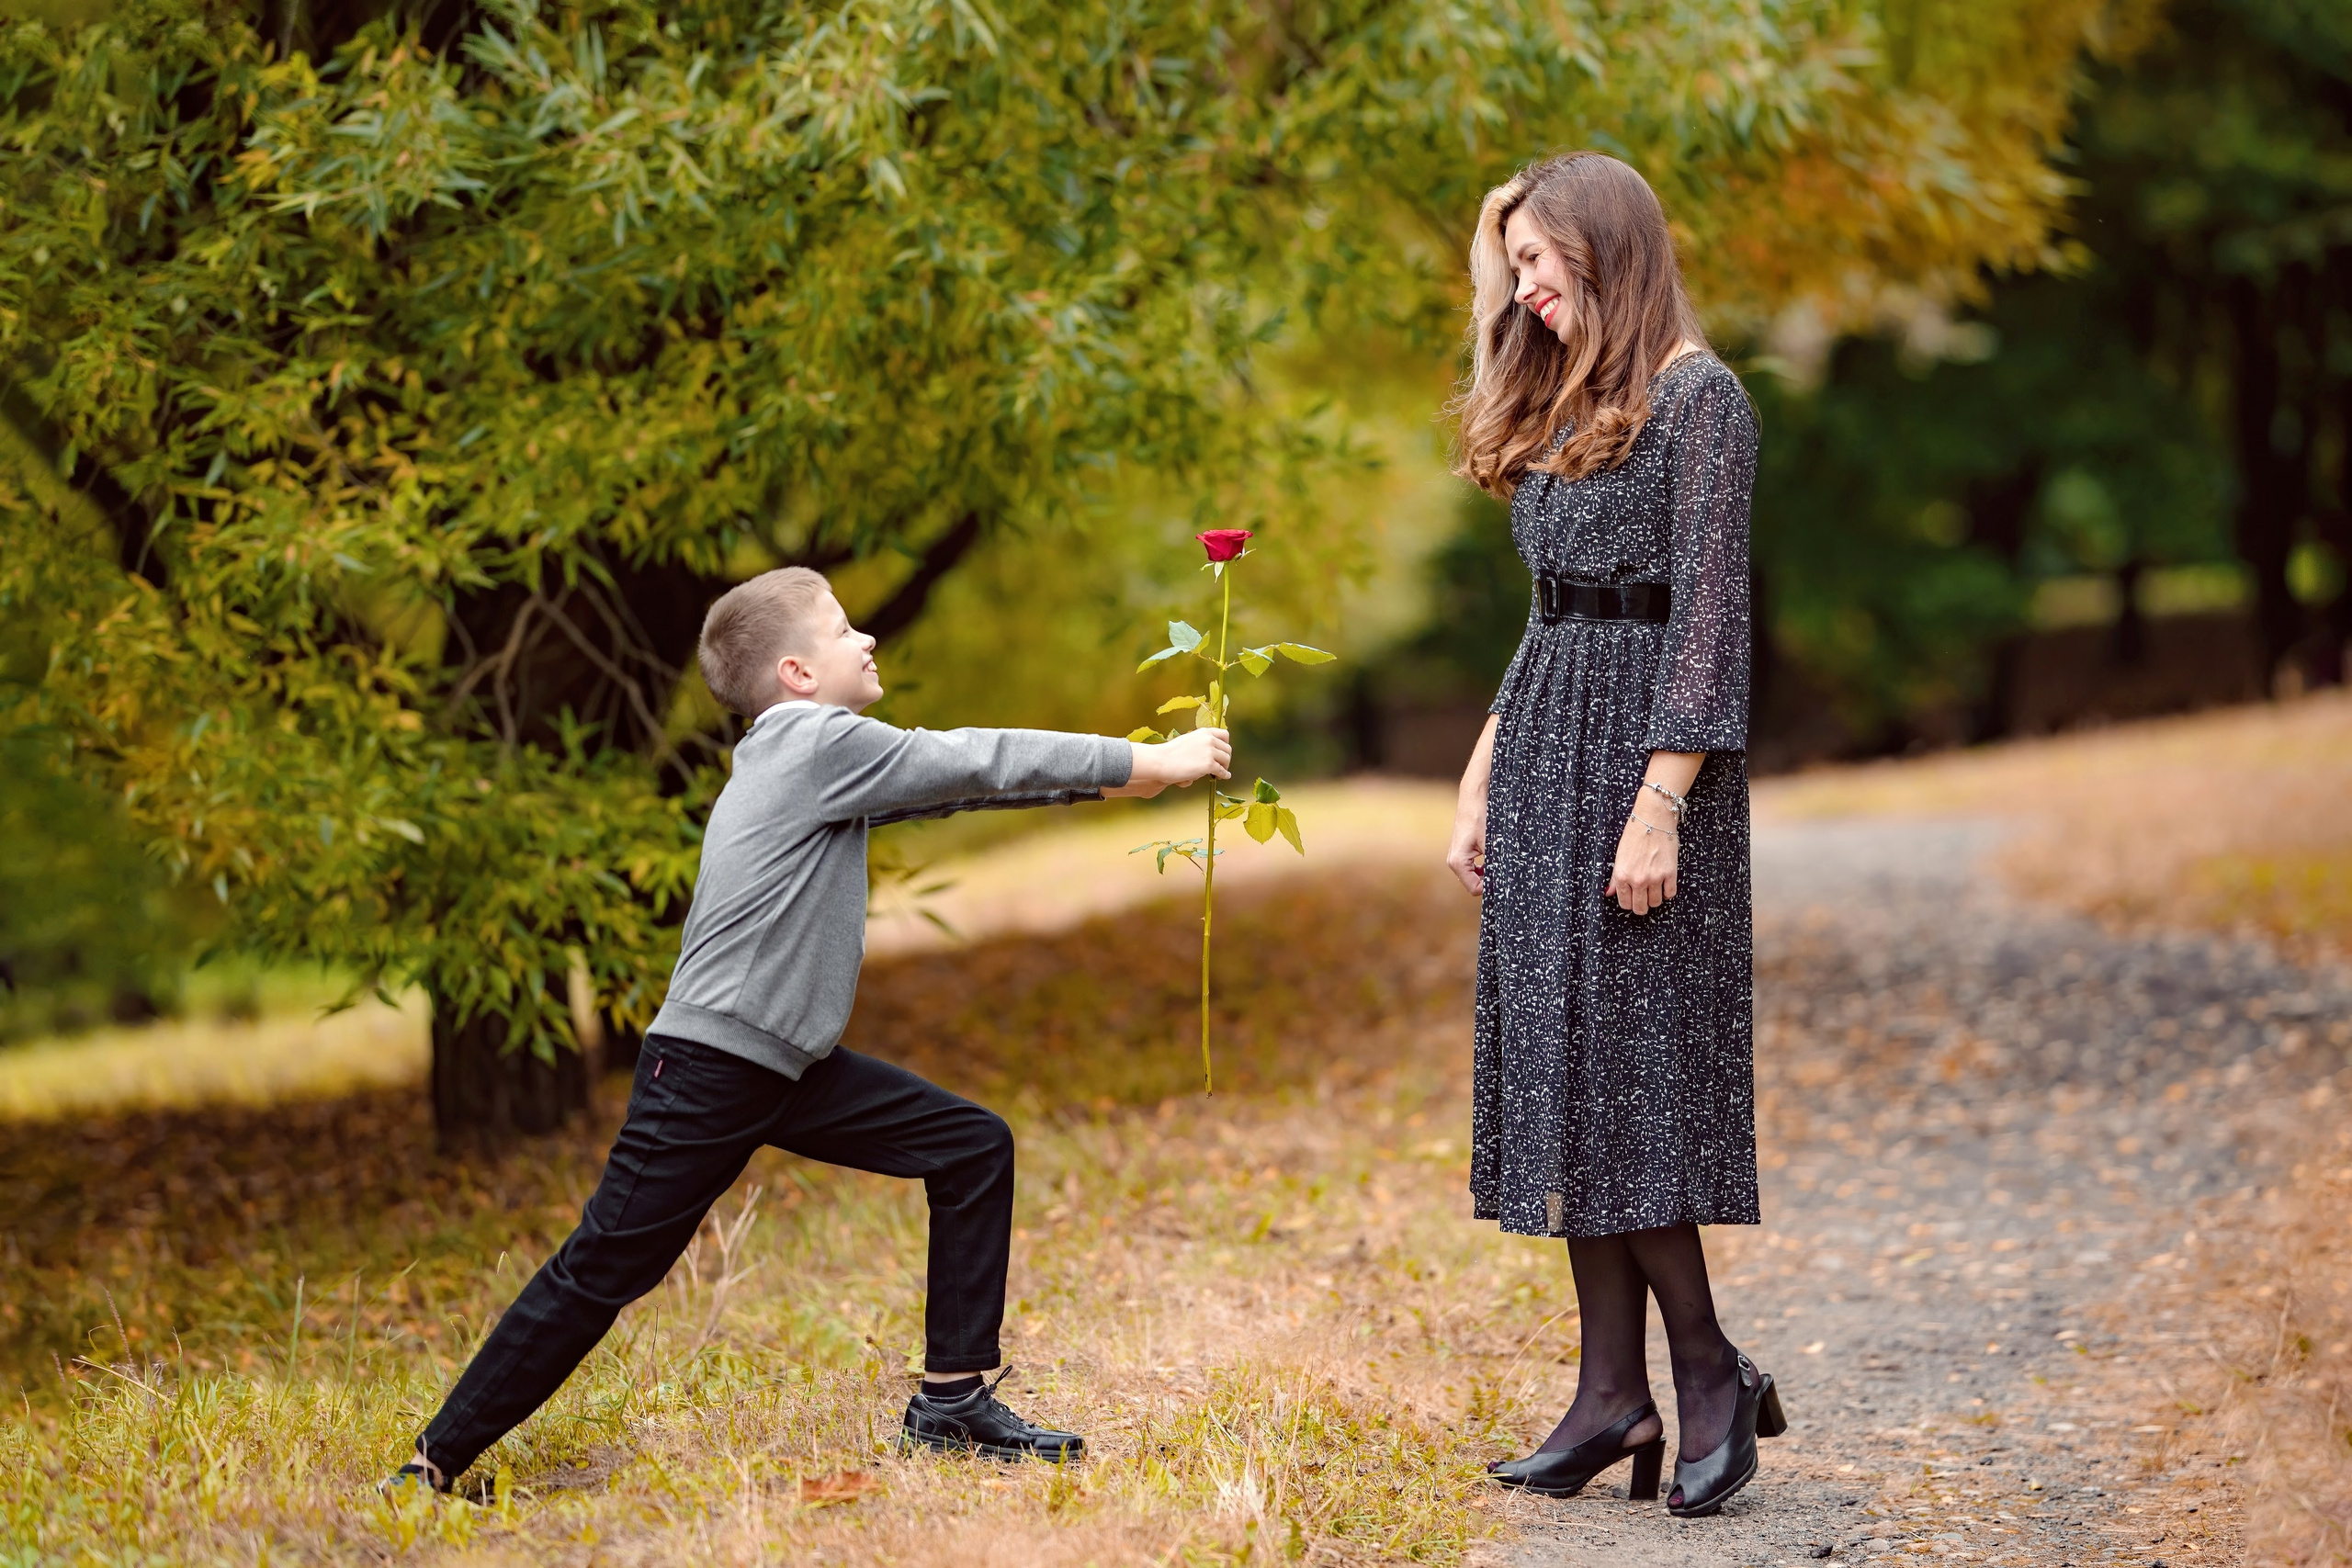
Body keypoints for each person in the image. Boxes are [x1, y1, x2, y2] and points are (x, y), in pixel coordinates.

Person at [386, 566, 1232, 1496]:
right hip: (712, 1067)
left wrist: (1110, 789)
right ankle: (431, 1464)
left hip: (780, 1063)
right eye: (841, 631)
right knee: (604, 1269)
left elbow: (944, 787)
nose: (866, 638)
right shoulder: (811, 742)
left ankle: (951, 1404)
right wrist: (1148, 761)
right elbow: (970, 757)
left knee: (968, 1146)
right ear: (795, 673)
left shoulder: (804, 753)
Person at [1443, 152, 1783, 1518]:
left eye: (1541, 263)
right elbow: (1547, 613)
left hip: (1646, 775)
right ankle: (1607, 1389)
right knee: (1566, 1080)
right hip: (1543, 758)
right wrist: (1478, 775)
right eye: (1515, 266)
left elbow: (1707, 626)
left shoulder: (1705, 401)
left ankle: (1703, 1373)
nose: (1525, 291)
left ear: (1611, 250)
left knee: (1633, 1081)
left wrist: (1661, 804)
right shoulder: (1572, 401)